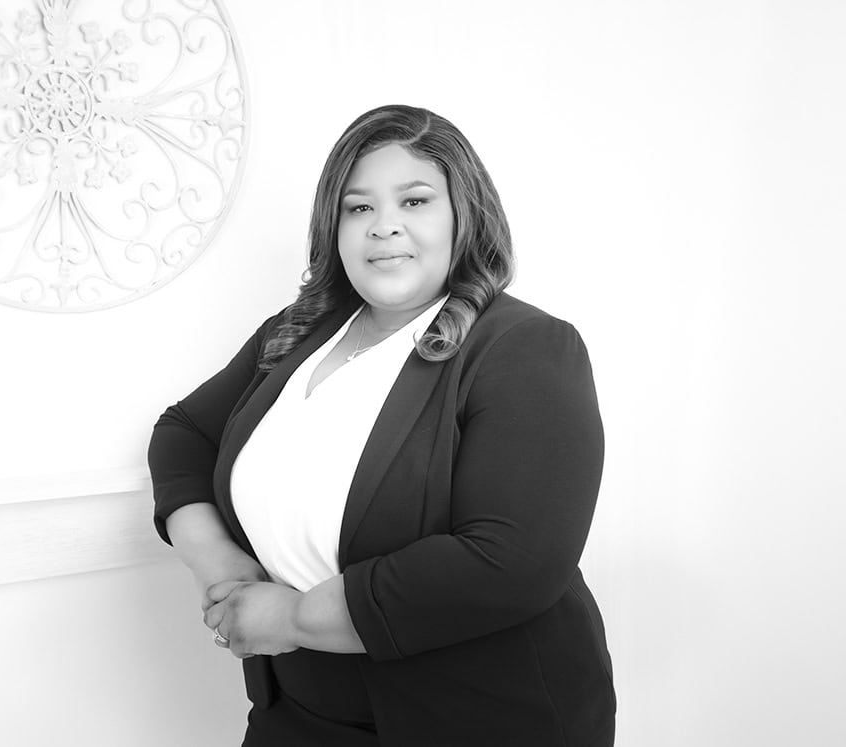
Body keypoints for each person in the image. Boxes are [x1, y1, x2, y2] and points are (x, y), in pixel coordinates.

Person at [147, 104, 614, 746]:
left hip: (474, 719)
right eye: (358, 207)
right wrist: (218, 564)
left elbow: (511, 561)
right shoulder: (299, 332)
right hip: (298, 709)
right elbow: (183, 434)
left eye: (415, 201)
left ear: (464, 216)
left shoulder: (525, 347)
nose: (383, 227)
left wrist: (297, 619)